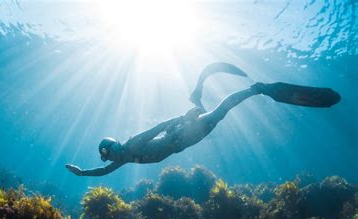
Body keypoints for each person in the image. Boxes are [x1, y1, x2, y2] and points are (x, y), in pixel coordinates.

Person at [66, 63, 341, 176]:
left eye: (109, 152)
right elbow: (102, 172)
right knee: (215, 118)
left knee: (218, 115)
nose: (110, 158)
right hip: (180, 141)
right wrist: (81, 173)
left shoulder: (131, 146)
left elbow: (157, 129)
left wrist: (182, 118)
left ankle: (257, 89)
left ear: (114, 146)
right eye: (107, 156)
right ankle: (197, 97)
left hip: (180, 135)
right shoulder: (122, 158)